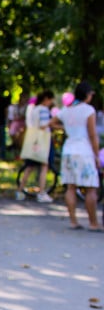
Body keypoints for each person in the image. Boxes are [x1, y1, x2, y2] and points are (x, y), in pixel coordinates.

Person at [52, 81, 101, 231]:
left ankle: (73, 220)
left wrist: (65, 128)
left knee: (70, 187)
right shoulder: (88, 110)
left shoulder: (67, 110)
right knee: (91, 188)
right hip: (84, 151)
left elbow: (51, 123)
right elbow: (92, 135)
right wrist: (97, 154)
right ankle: (93, 223)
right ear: (87, 94)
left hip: (69, 150)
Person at [16, 90, 54, 203]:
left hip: (33, 140)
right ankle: (41, 192)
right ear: (47, 99)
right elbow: (43, 125)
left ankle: (20, 190)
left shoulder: (34, 109)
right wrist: (54, 124)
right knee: (44, 166)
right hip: (43, 141)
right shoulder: (43, 110)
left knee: (29, 167)